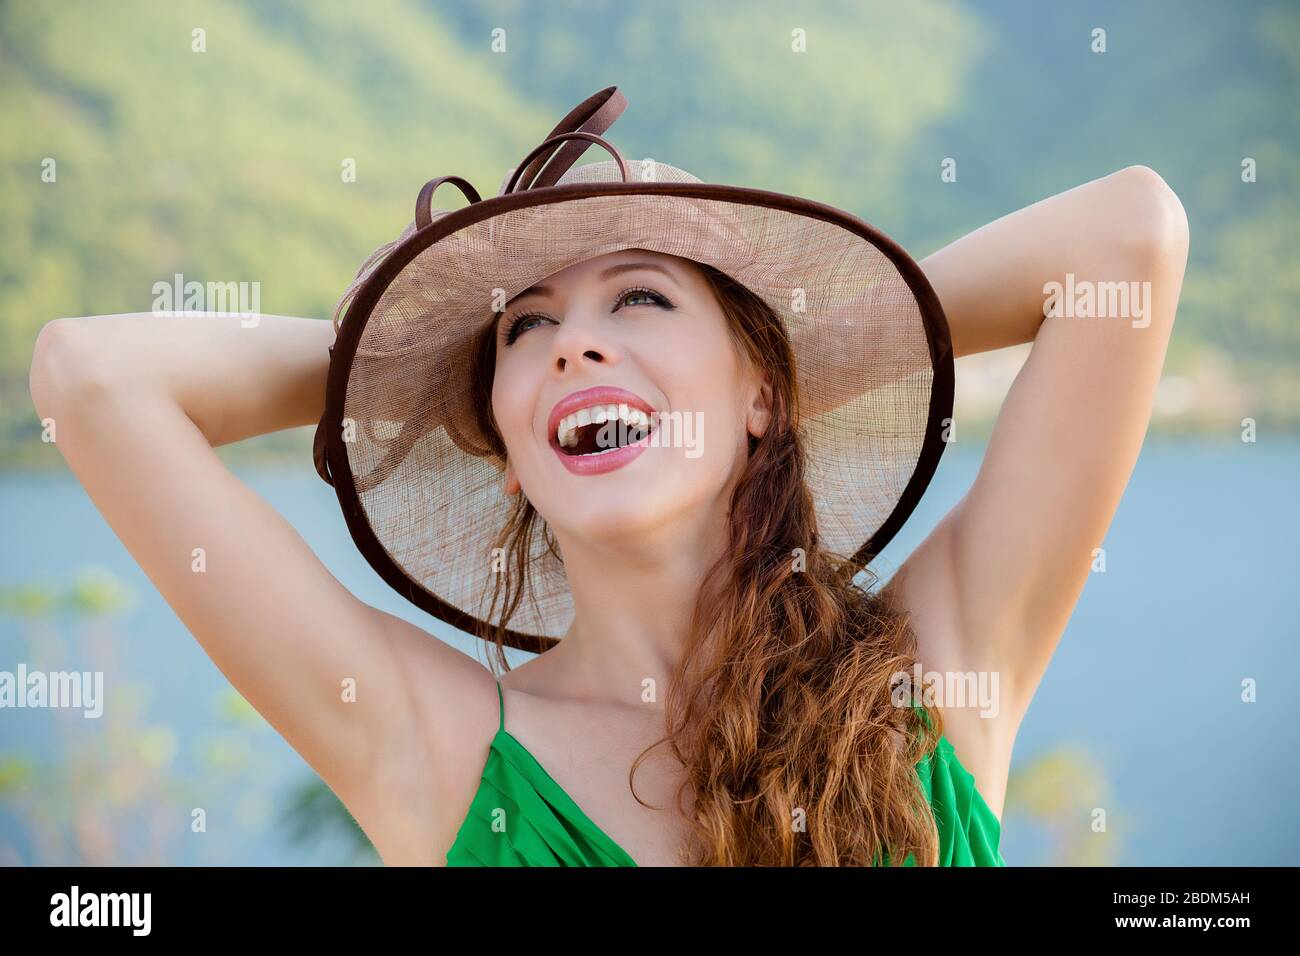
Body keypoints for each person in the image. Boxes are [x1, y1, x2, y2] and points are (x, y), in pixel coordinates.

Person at [27, 88, 1188, 867]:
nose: (573, 344)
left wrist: (793, 348)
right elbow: (92, 376)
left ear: (764, 395)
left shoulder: (926, 670)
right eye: (525, 331)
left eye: (639, 297)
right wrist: (402, 369)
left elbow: (1126, 238)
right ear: (502, 437)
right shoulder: (443, 747)